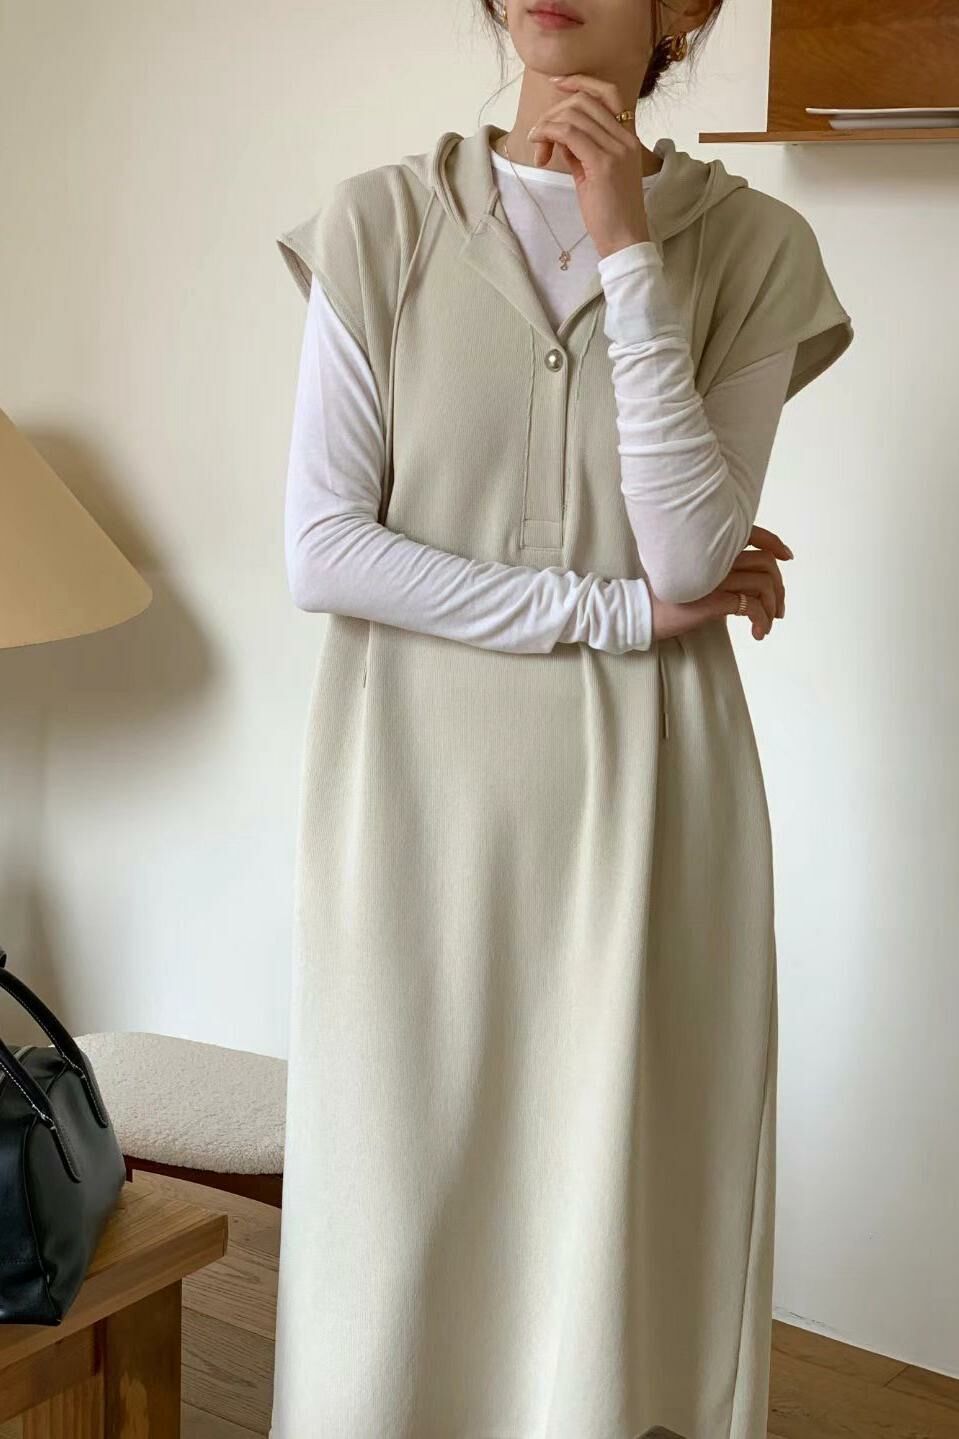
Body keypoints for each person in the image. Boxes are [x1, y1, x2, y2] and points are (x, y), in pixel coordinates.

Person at [271, 0, 854, 1434]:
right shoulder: (380, 226)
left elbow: (685, 554)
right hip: (412, 793)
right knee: (396, 1206)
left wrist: (627, 245)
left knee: (620, 1211)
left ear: (686, 11)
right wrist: (608, 614)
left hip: (648, 804)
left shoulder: (754, 250)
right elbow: (325, 551)